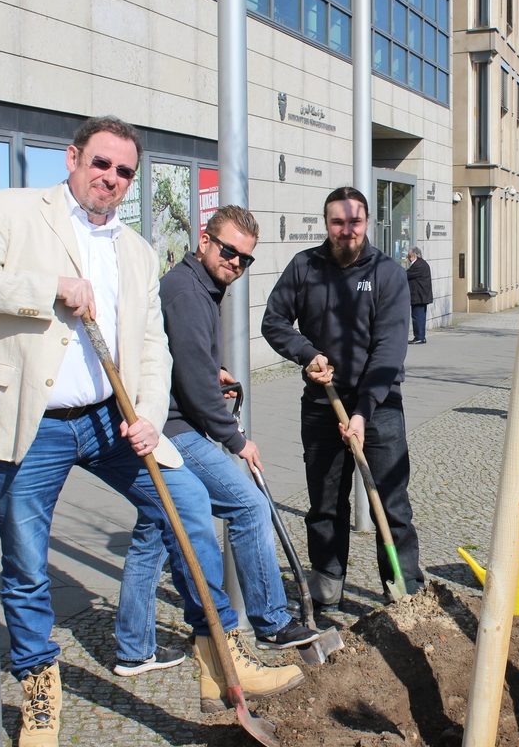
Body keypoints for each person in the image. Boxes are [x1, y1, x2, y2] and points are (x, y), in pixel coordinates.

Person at [0, 116, 300, 747]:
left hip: (113, 416)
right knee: (24, 560)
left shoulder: (134, 250)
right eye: (101, 163)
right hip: (35, 423)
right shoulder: (12, 211)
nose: (111, 178)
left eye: (124, 171)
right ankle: (41, 695)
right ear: (74, 158)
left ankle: (220, 662)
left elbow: (153, 349)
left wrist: (150, 419)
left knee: (185, 510)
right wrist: (49, 288)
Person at [115, 204, 320, 681]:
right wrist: (236, 439)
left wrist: (214, 371)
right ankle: (270, 620)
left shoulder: (199, 287)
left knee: (154, 530)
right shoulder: (187, 291)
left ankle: (133, 647)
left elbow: (187, 361)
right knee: (249, 505)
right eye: (229, 251)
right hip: (170, 428)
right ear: (205, 241)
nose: (235, 263)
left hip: (162, 420)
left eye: (245, 258)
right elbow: (189, 377)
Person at [261, 186, 424, 610]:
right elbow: (274, 320)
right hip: (321, 405)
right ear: (327, 223)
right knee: (325, 503)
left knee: (391, 502)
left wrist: (363, 412)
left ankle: (403, 589)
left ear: (366, 223)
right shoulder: (305, 268)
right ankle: (328, 585)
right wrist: (307, 353)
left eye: (354, 222)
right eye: (338, 222)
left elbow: (388, 351)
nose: (346, 231)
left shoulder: (387, 273)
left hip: (379, 407)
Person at [405, 246, 433, 344]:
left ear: (413, 255)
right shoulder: (421, 263)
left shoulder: (418, 265)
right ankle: (420, 336)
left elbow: (406, 274)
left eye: (409, 256)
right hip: (420, 295)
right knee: (419, 316)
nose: (408, 258)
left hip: (419, 296)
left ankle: (419, 337)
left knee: (418, 317)